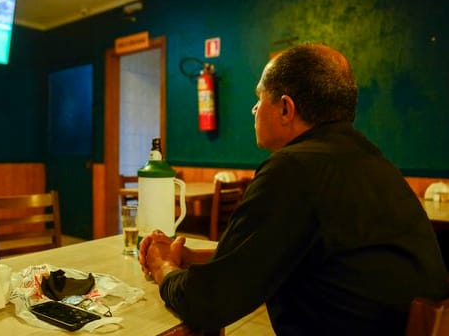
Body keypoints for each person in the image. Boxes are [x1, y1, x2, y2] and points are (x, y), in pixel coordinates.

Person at [138, 43, 449, 335]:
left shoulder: (293, 169)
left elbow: (208, 304)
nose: (254, 109)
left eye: (259, 98)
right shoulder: (373, 163)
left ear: (286, 108)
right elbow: (281, 253)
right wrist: (191, 256)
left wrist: (162, 265)